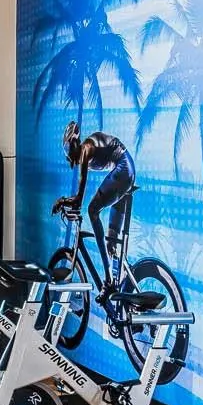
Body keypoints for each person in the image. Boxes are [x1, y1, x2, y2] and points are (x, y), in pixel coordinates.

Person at [52, 121, 138, 290]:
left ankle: (108, 278)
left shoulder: (86, 149)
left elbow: (79, 197)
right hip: (126, 170)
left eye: (72, 157)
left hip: (123, 169)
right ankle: (116, 282)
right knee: (111, 242)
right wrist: (69, 202)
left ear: (74, 145)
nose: (74, 162)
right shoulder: (85, 150)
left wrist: (63, 201)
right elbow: (78, 199)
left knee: (92, 210)